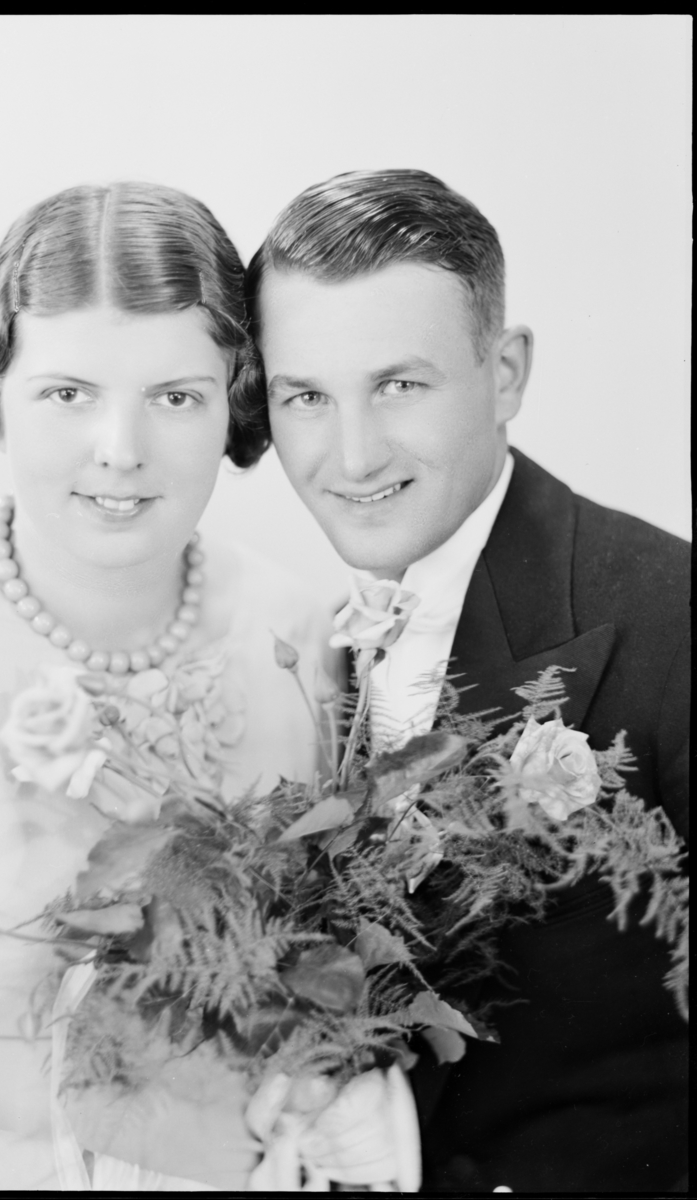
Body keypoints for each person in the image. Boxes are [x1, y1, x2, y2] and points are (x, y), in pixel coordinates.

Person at [0, 181, 338, 1190]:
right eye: (68, 393)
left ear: (235, 397)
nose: (120, 450)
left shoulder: (292, 634)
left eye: (175, 397)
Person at [245, 169, 689, 1193]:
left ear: (506, 372)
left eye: (399, 385)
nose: (352, 456)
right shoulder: (315, 652)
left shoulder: (673, 623)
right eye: (305, 397)